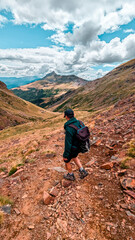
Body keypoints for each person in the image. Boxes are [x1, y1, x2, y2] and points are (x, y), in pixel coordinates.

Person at [63, 109, 88, 181]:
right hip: (81, 145)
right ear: (73, 115)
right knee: (74, 156)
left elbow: (68, 143)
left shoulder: (69, 128)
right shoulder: (80, 122)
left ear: (66, 117)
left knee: (67, 161)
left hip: (73, 147)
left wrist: (65, 155)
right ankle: (82, 170)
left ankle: (71, 175)